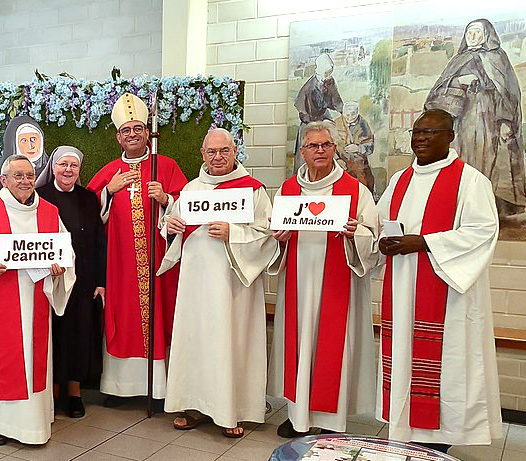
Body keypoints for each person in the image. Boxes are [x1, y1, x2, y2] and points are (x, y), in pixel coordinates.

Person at [375, 109, 502, 452]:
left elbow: (482, 232)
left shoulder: (470, 181)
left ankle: (439, 441)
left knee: (446, 364)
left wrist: (425, 242)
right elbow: (379, 223)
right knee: (404, 357)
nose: (421, 138)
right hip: (402, 289)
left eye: (430, 132)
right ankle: (404, 431)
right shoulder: (400, 180)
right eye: (417, 132)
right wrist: (381, 242)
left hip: (447, 295)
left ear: (450, 136)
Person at [160, 128, 276, 438]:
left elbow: (267, 235)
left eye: (224, 150)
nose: (218, 157)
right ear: (203, 155)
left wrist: (233, 233)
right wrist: (170, 226)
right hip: (196, 284)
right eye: (211, 152)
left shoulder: (252, 190)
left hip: (233, 285)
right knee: (196, 340)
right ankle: (193, 406)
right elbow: (171, 226)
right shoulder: (192, 189)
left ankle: (231, 411)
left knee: (230, 342)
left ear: (235, 151)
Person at [267, 121, 380, 438]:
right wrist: (280, 238)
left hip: (338, 284)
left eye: (326, 145)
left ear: (335, 149)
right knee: (299, 345)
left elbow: (373, 237)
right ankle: (298, 415)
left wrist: (355, 233)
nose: (320, 151)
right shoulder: (288, 190)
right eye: (313, 146)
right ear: (302, 152)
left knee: (332, 349)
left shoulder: (356, 190)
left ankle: (329, 419)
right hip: (298, 284)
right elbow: (273, 234)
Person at [0, 154, 76, 446]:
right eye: (18, 176)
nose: (25, 181)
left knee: (32, 361)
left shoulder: (49, 212)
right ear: (4, 179)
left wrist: (60, 268)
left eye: (29, 176)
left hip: (35, 301)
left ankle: (31, 425)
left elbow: (65, 252)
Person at [86, 92, 188, 408]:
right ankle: (120, 387)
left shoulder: (165, 166)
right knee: (122, 319)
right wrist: (108, 191)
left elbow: (188, 208)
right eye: (126, 130)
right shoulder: (109, 171)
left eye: (137, 129)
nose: (132, 134)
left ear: (147, 133)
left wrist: (166, 199)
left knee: (158, 316)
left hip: (156, 263)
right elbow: (86, 215)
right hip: (120, 265)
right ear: (118, 137)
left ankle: (156, 389)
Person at [425, 18, 525, 217]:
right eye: (469, 32)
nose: (472, 36)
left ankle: (481, 211)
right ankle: (455, 208)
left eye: (477, 32)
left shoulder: (497, 58)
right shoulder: (458, 59)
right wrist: (458, 81)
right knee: (458, 160)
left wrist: (505, 121)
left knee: (483, 161)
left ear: (486, 35)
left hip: (486, 118)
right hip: (458, 121)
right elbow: (438, 91)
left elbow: (507, 92)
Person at [36, 146, 106, 419]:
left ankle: (75, 393)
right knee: (55, 333)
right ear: (53, 167)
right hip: (51, 278)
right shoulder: (39, 196)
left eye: (73, 166)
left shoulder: (88, 198)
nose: (68, 170)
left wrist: (100, 280)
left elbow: (99, 241)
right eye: (63, 164)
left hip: (83, 278)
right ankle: (53, 393)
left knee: (79, 334)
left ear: (79, 170)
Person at [294, 53, 343, 172]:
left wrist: (343, 111)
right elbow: (303, 111)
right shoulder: (309, 87)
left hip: (324, 117)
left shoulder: (330, 81)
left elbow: (336, 101)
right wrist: (316, 124)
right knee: (309, 151)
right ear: (319, 69)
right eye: (326, 72)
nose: (328, 74)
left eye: (330, 71)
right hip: (309, 121)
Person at [334, 101, 376, 194]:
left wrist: (359, 148)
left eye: (353, 114)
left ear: (357, 113)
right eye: (347, 115)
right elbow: (329, 145)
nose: (350, 117)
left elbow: (370, 146)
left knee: (364, 191)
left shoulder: (363, 124)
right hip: (341, 166)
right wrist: (337, 160)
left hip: (360, 166)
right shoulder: (335, 124)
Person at [3, 115, 52, 187]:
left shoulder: (52, 172)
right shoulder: (3, 175)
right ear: (14, 144)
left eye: (33, 139)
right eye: (24, 141)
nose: (30, 146)